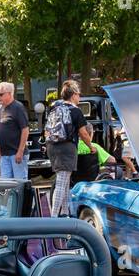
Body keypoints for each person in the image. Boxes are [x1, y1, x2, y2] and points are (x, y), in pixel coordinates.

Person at [45, 80, 91, 217]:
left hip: (52, 147)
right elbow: (83, 133)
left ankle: (65, 213)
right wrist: (91, 146)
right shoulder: (76, 111)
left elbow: (47, 131)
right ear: (73, 95)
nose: (80, 97)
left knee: (64, 181)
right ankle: (53, 217)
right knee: (61, 182)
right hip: (67, 148)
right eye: (79, 94)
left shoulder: (54, 109)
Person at [0, 81, 29, 180]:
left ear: (9, 93)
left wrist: (20, 151)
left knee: (19, 185)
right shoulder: (1, 108)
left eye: (1, 94)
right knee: (5, 185)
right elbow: (0, 129)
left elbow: (25, 129)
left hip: (16, 153)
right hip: (4, 154)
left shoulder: (18, 107)